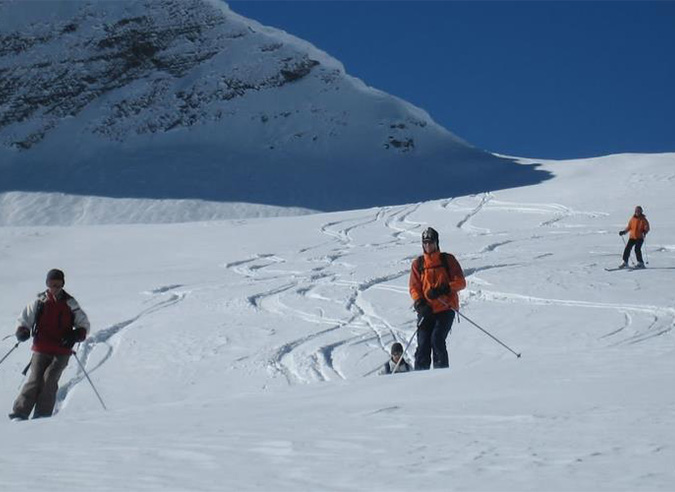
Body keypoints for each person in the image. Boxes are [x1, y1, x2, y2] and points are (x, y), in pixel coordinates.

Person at [9, 269, 90, 420]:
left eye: (58, 285)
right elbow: (25, 318)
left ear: (62, 284)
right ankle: (20, 413)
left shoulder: (70, 303)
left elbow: (83, 323)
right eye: (52, 284)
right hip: (41, 347)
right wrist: (22, 330)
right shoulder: (39, 302)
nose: (55, 288)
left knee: (50, 380)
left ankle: (42, 416)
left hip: (62, 349)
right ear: (47, 284)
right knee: (35, 379)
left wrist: (77, 334)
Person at [409, 227, 466, 370]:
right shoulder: (418, 264)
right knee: (423, 344)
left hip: (446, 308)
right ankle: (418, 379)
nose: (428, 246)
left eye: (431, 242)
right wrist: (420, 303)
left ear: (437, 243)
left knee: (437, 340)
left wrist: (444, 288)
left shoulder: (448, 260)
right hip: (426, 311)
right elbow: (414, 287)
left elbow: (461, 282)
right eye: (425, 243)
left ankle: (441, 377)